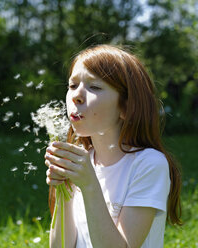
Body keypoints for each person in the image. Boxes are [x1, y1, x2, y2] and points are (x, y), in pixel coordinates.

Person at [44, 44, 182, 248]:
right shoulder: (82, 160)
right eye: (72, 85)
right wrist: (63, 187)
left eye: (95, 87)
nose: (76, 96)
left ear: (126, 107)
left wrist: (89, 185)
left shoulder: (148, 164)